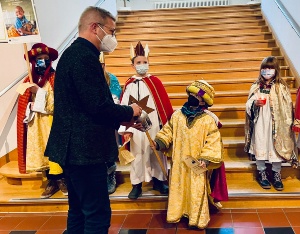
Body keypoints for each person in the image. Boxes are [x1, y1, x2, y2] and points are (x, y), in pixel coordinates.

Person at [44, 7, 142, 233]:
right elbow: (98, 107)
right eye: (112, 31)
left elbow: (83, 108)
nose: (113, 38)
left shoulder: (73, 54)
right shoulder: (84, 57)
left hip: (75, 149)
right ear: (94, 28)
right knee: (97, 215)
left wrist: (123, 121)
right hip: (84, 152)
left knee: (78, 211)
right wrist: (131, 111)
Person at [152, 80, 228, 229]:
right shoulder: (177, 116)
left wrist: (205, 159)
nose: (193, 96)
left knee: (196, 189)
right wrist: (159, 143)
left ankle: (196, 218)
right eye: (191, 94)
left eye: (197, 96)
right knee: (179, 187)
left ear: (203, 101)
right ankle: (177, 213)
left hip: (196, 163)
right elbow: (168, 131)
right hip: (179, 162)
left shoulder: (207, 120)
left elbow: (213, 140)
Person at [118, 41, 174, 199]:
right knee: (137, 154)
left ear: (149, 63)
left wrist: (166, 127)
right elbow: (123, 106)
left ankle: (159, 181)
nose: (142, 65)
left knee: (155, 150)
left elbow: (164, 106)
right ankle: (137, 185)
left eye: (145, 62)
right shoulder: (129, 84)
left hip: (155, 125)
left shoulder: (155, 82)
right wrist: (126, 130)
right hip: (135, 127)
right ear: (132, 65)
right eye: (138, 62)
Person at [16, 43, 68, 199]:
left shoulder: (55, 78)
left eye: (46, 59)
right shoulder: (29, 79)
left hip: (52, 121)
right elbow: (23, 104)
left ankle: (62, 179)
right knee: (43, 152)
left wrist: (39, 92)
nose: (43, 62)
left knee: (55, 152)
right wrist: (29, 103)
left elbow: (57, 103)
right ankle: (51, 181)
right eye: (39, 59)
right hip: (37, 123)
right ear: (33, 61)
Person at [245, 56, 297, 191]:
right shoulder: (256, 86)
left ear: (276, 70)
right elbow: (248, 103)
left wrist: (287, 122)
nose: (267, 71)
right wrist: (254, 104)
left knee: (276, 147)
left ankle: (276, 173)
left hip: (277, 123)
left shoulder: (281, 87)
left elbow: (287, 106)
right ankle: (261, 172)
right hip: (261, 121)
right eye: (264, 68)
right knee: (261, 143)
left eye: (270, 68)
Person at [100, 52, 122, 194]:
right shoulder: (85, 79)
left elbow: (115, 97)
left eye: (101, 65)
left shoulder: (111, 78)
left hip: (107, 119)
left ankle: (110, 174)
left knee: (108, 146)